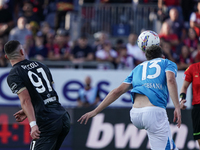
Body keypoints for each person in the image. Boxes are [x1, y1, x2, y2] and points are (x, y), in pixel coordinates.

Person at [78, 45, 181, 150]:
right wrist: (177, 106)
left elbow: (117, 91)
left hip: (135, 114)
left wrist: (95, 111)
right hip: (153, 112)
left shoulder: (137, 68)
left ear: (147, 58)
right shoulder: (167, 63)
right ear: (163, 56)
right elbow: (171, 80)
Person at [4, 40, 70, 149]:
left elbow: (25, 100)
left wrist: (33, 125)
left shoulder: (14, 74)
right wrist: (30, 109)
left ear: (6, 57)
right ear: (22, 51)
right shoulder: (41, 65)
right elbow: (45, 94)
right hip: (63, 117)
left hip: (47, 121)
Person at [180, 62, 200, 148]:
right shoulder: (193, 68)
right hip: (198, 107)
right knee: (199, 136)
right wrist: (181, 100)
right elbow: (184, 87)